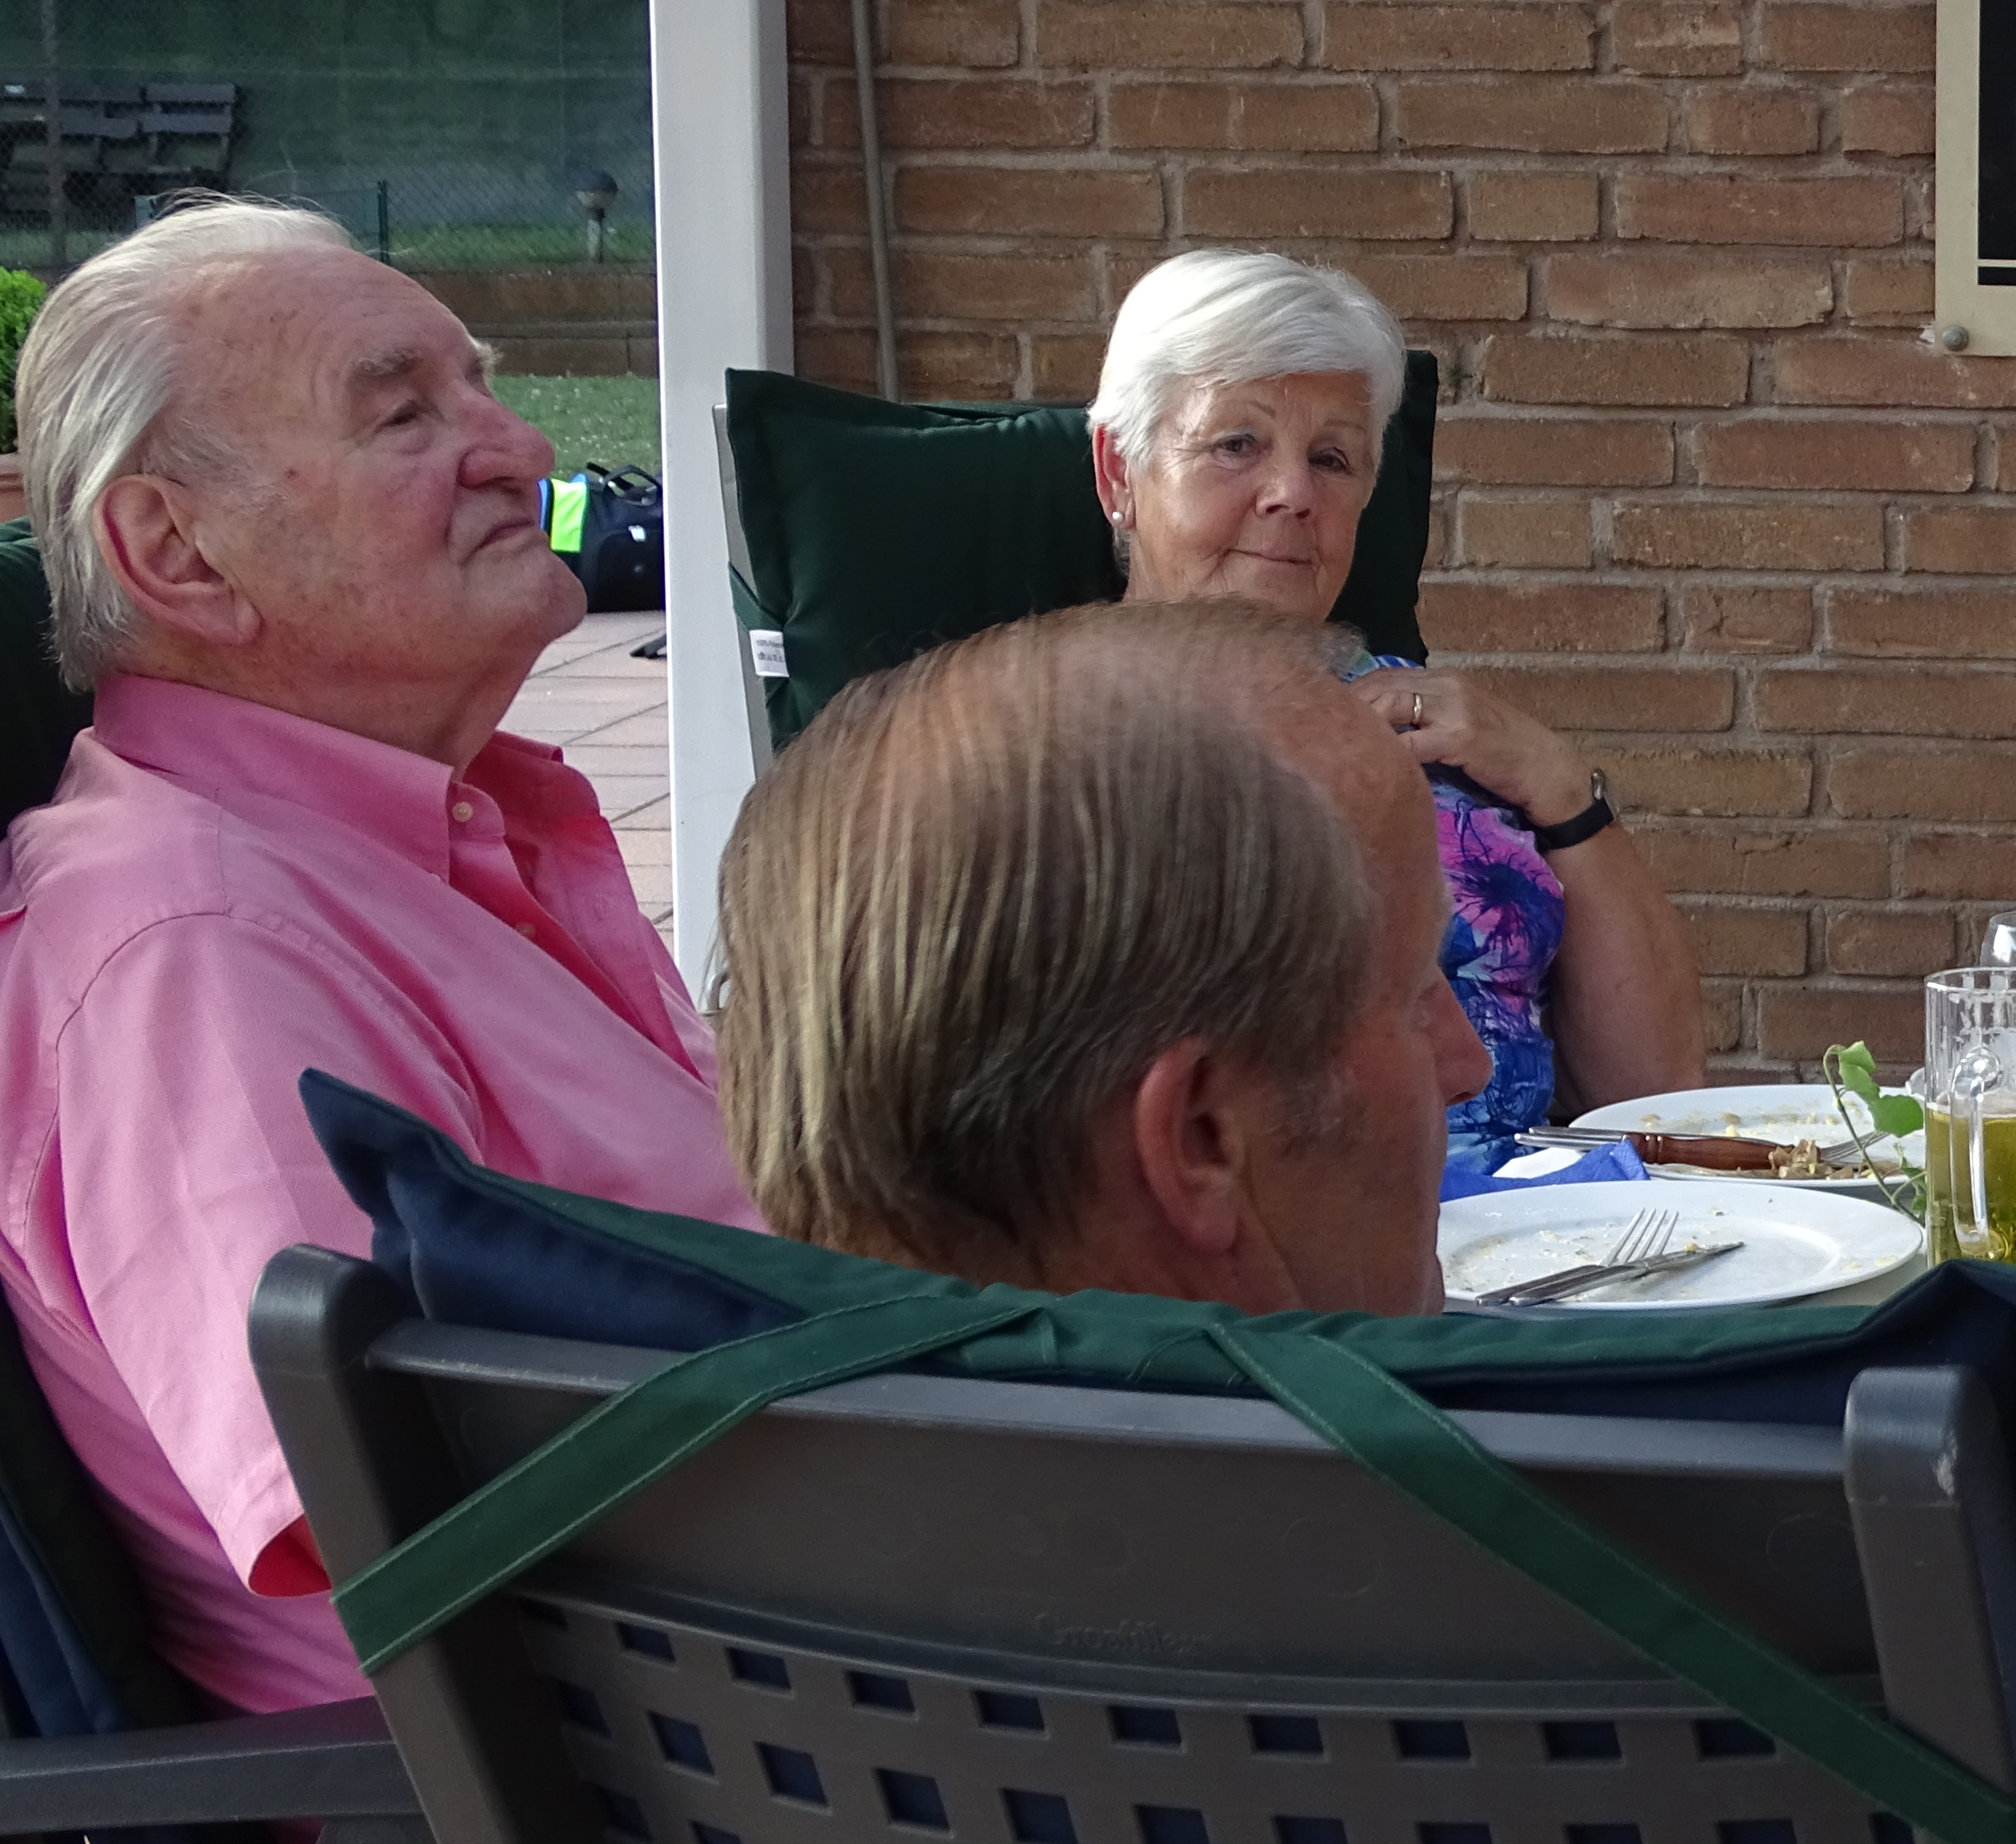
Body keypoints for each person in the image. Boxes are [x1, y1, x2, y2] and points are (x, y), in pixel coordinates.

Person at [0, 197, 756, 1714]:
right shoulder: (198, 951)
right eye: (404, 412)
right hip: (667, 1752)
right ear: (177, 550)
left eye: (481, 387)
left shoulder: (447, 829)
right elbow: (410, 1537)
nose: (523, 449)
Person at [1088, 250, 1703, 1154]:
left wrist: (1559, 787)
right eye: (1236, 444)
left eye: (1332, 458)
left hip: (1549, 1218)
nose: (1294, 492)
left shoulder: (1447, 738)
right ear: (1119, 474)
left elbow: (1657, 1101)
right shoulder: (1049, 750)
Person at [720, 601, 1490, 1308]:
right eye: (1416, 996)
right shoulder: (1418, 1422)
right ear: (1200, 1139)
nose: (1470, 1065)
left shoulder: (727, 1400)